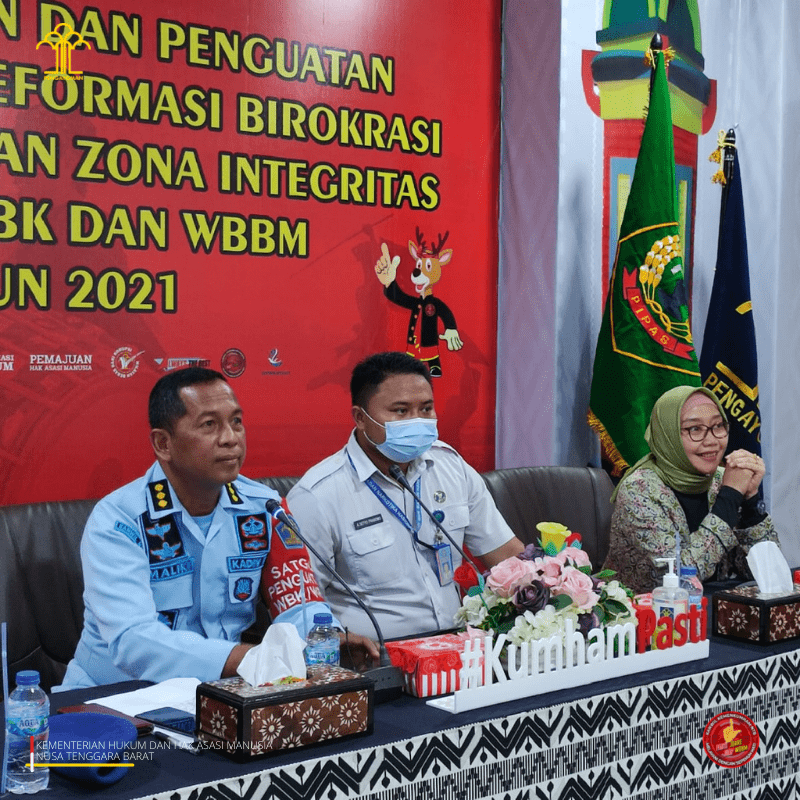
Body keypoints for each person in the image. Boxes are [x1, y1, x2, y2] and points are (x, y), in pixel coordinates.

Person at [60, 367, 376, 689]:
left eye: (236, 421)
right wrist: (245, 658)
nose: (230, 438)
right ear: (163, 443)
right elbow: (133, 640)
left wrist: (324, 639)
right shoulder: (119, 520)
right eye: (209, 425)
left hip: (222, 693)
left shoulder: (266, 508)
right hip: (114, 695)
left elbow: (297, 602)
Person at [287, 351, 525, 642]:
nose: (417, 421)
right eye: (400, 411)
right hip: (377, 656)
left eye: (426, 409)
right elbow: (301, 605)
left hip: (458, 645)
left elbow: (507, 556)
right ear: (360, 418)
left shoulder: (451, 467)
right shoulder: (318, 496)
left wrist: (555, 585)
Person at [603, 385, 779, 594]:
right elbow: (678, 578)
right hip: (647, 610)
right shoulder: (639, 490)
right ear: (668, 435)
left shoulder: (721, 480)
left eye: (718, 426)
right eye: (695, 429)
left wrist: (750, 501)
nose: (712, 441)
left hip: (711, 606)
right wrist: (730, 497)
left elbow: (768, 575)